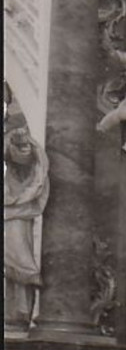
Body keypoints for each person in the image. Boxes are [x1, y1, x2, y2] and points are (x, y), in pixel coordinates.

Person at [4, 91, 49, 330]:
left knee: (14, 252)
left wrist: (17, 144)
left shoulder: (16, 129)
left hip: (13, 205)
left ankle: (16, 313)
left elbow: (24, 157)